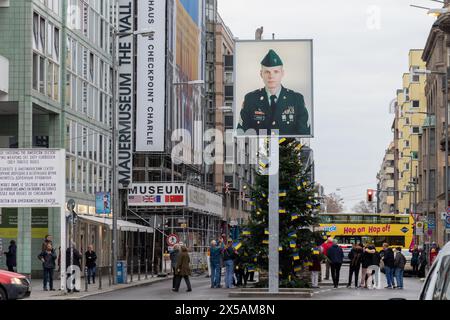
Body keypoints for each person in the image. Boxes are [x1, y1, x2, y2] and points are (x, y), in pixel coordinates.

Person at [237, 49, 310, 136]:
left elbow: (304, 134)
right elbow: (241, 133)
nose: (271, 76)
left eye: (276, 72)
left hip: (287, 149)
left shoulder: (296, 99)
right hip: (259, 149)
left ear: (282, 73)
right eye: (267, 72)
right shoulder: (251, 99)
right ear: (261, 74)